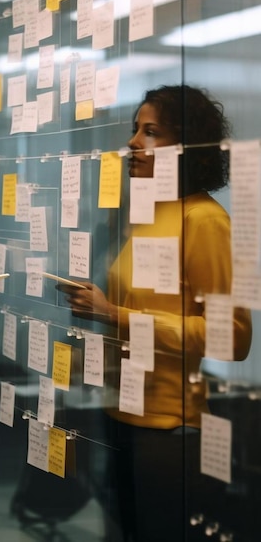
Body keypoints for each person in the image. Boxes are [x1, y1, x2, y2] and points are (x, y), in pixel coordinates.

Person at [58, 85, 252, 541]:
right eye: (134, 130)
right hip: (120, 411)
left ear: (185, 146)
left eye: (151, 132)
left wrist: (112, 314)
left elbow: (234, 337)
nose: (133, 143)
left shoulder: (203, 220)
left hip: (168, 427)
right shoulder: (147, 213)